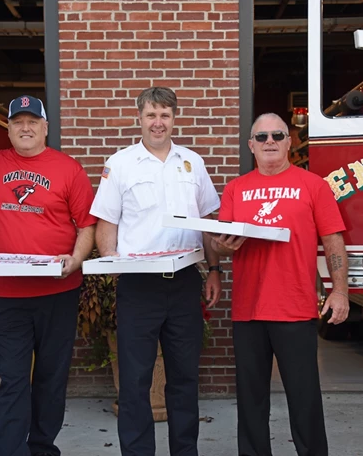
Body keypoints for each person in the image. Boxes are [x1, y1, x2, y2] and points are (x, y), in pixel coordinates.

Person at [90, 86, 222, 456]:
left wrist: (213, 269)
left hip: (183, 286)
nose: (158, 122)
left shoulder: (193, 162)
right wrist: (114, 264)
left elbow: (207, 221)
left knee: (184, 380)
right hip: (138, 288)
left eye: (165, 115)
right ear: (139, 118)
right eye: (151, 115)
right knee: (134, 383)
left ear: (174, 118)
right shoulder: (120, 164)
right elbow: (106, 223)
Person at [211, 113, 349, 456]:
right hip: (248, 310)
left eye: (277, 135)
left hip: (296, 308)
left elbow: (333, 241)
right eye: (261, 137)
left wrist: (340, 290)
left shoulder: (313, 185)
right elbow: (219, 242)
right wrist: (220, 246)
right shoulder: (235, 188)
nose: (269, 141)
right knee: (251, 402)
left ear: (290, 142)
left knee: (304, 400)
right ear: (251, 146)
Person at [0, 95, 97, 456]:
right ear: (8, 128)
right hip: (7, 295)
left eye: (33, 121)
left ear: (46, 127)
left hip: (58, 292)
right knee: (14, 379)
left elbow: (87, 224)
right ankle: (11, 451)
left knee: (51, 379)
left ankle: (43, 447)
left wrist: (76, 259)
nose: (26, 127)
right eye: (18, 121)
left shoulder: (69, 169)